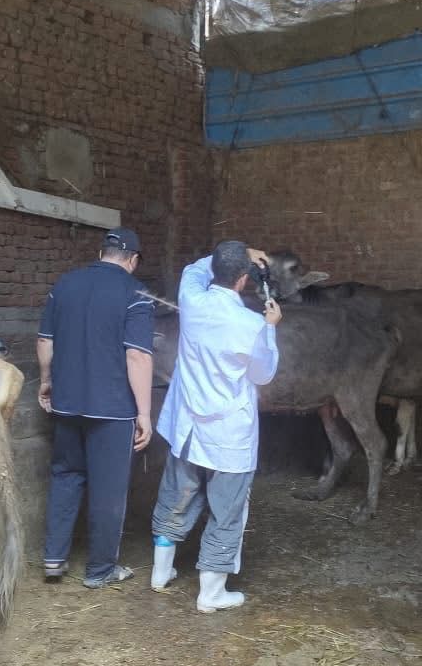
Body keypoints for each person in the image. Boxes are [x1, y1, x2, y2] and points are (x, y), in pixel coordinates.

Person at [150, 241, 282, 612]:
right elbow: (264, 373)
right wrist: (271, 328)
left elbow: (194, 269)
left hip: (188, 427)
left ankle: (161, 572)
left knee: (176, 494)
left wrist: (236, 254)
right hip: (228, 435)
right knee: (227, 510)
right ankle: (211, 592)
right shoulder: (251, 325)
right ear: (244, 280)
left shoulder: (192, 299)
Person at [37, 227, 153, 588]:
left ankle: (54, 559)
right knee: (108, 489)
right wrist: (144, 413)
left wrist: (46, 381)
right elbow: (137, 356)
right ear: (133, 260)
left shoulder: (65, 285)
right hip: (113, 409)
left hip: (67, 403)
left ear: (101, 252)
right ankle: (100, 570)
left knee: (65, 476)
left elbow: (45, 341)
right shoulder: (136, 293)